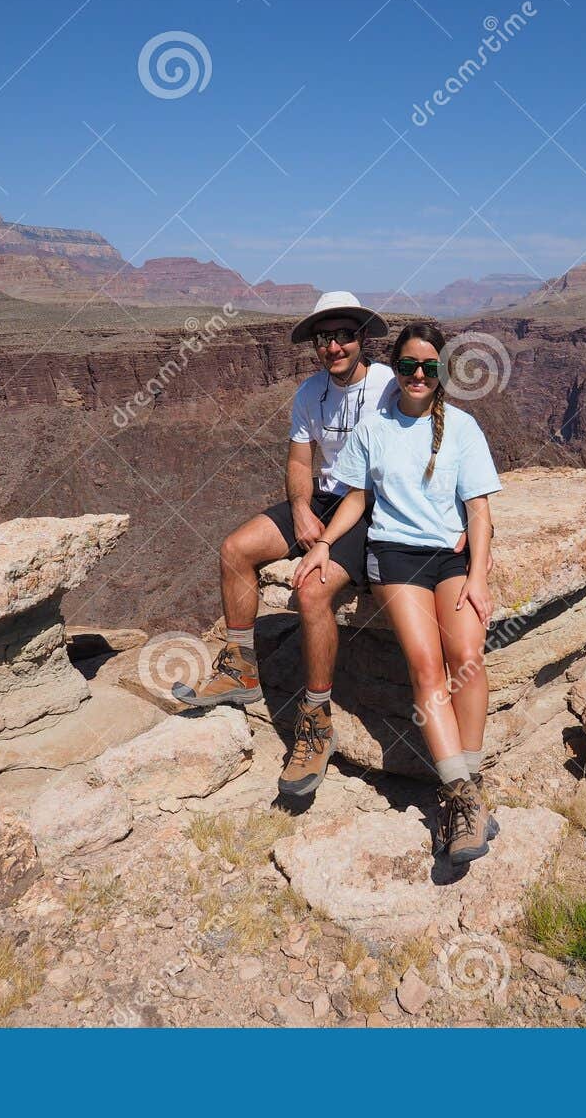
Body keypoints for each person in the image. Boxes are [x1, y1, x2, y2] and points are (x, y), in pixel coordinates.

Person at [292, 322, 503, 864]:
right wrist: (324, 545)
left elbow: (478, 510)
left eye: (429, 367)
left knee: (467, 658)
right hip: (395, 557)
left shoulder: (462, 427)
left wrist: (478, 575)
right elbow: (357, 498)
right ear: (397, 368)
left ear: (442, 373)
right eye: (407, 365)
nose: (417, 375)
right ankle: (458, 797)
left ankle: (469, 788)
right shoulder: (375, 429)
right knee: (427, 666)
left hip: (450, 558)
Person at [173, 291, 395, 798]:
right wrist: (299, 508)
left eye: (344, 335)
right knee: (234, 550)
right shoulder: (309, 393)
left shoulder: (386, 385)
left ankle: (315, 720)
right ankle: (241, 668)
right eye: (324, 338)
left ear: (362, 338)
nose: (334, 346)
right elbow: (300, 462)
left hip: (370, 506)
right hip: (323, 498)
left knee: (312, 593)